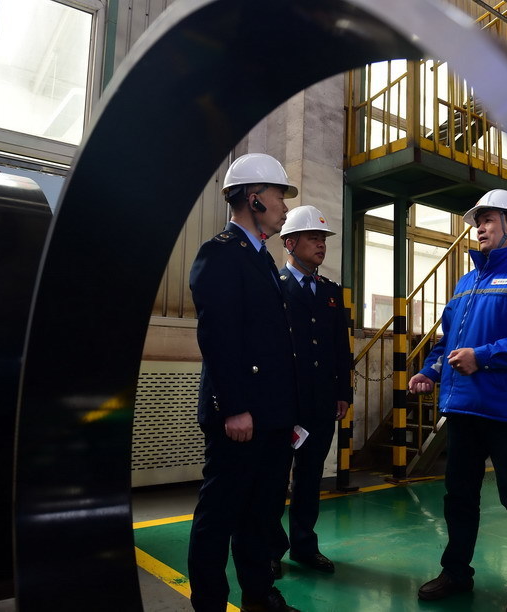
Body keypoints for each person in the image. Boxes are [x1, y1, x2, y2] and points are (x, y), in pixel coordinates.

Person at [408, 189, 507, 612]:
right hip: (463, 407)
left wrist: (483, 357)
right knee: (458, 497)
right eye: (478, 221)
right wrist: (429, 371)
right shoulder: (466, 282)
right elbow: (448, 340)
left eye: (489, 219)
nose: (480, 228)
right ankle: (456, 571)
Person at [187, 153, 301, 612]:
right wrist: (234, 407)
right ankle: (210, 603)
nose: (285, 207)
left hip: (269, 415)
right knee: (219, 516)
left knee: (260, 514)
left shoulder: (261, 259)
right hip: (240, 415)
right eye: (279, 196)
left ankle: (258, 595)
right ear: (254, 198)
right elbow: (218, 338)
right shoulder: (220, 253)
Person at [268, 206, 352, 578]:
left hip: (320, 403)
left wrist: (343, 392)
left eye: (323, 239)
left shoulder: (330, 292)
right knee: (274, 479)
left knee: (309, 477)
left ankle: (304, 546)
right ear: (290, 243)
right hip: (284, 402)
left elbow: (340, 348)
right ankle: (271, 549)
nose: (321, 244)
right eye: (313, 238)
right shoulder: (275, 286)